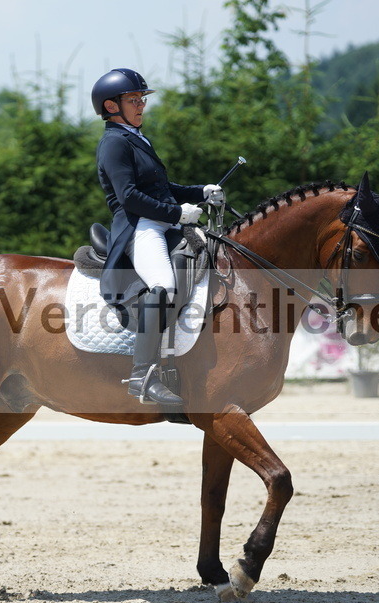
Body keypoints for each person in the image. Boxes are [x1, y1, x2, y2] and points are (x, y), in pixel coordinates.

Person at [91, 68, 223, 407]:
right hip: (139, 226)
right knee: (163, 287)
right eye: (133, 100)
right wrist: (178, 214)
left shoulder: (136, 138)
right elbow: (131, 197)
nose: (141, 106)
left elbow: (163, 189)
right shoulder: (114, 143)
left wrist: (200, 191)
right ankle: (141, 375)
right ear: (111, 106)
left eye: (141, 100)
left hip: (161, 221)